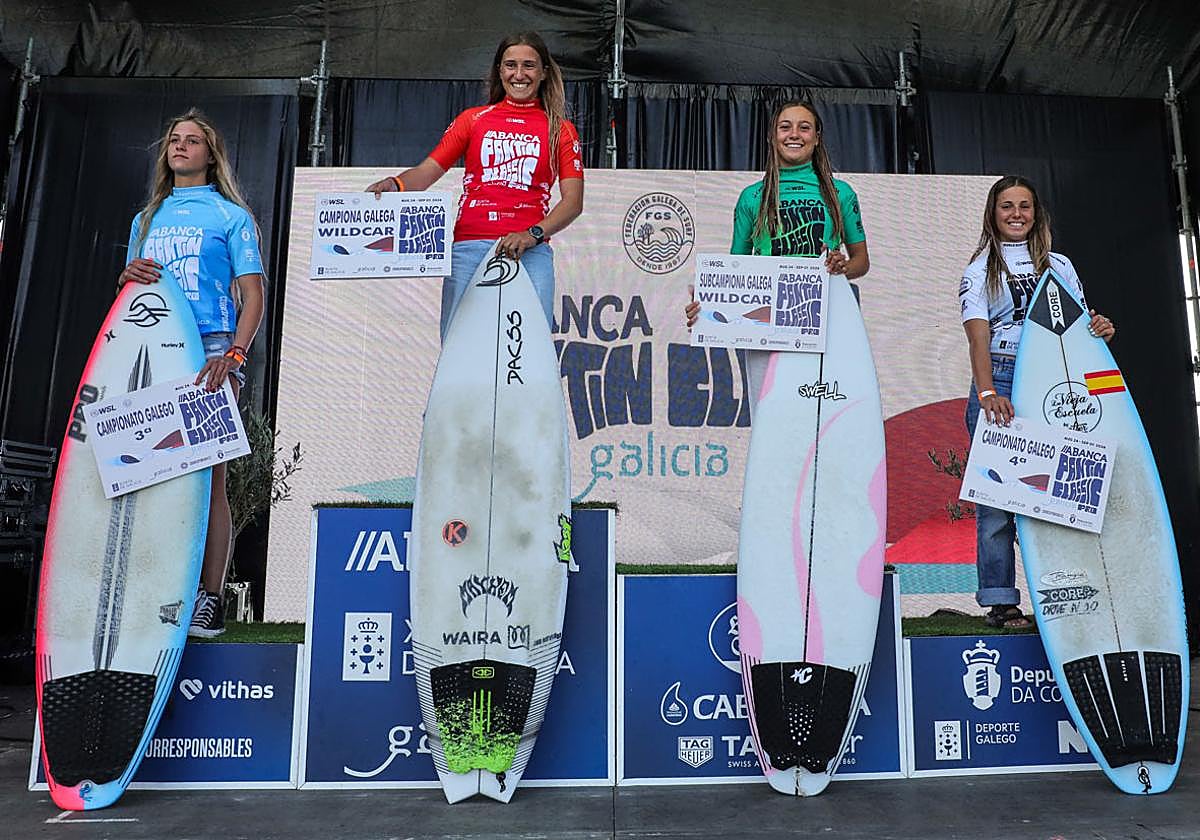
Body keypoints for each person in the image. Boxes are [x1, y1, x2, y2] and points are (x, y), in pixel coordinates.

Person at [117, 108, 266, 638]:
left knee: (209, 478)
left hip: (209, 351)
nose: (180, 146)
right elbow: (134, 296)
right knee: (150, 474)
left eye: (193, 140)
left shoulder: (231, 216)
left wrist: (237, 355)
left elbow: (254, 295)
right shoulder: (146, 219)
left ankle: (209, 598)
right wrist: (125, 277)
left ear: (211, 153)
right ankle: (157, 592)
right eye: (174, 140)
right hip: (152, 349)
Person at [959, 175, 1115, 628]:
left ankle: (1067, 595)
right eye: (1006, 206)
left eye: (1024, 206)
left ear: (1036, 212)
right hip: (1003, 379)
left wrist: (1102, 329)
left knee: (1062, 489)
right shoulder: (980, 268)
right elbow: (978, 338)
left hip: (1053, 380)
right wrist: (988, 392)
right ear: (993, 213)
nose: (1016, 214)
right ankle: (1000, 600)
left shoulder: (1059, 264)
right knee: (998, 499)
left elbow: (1080, 327)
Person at [366, 31, 584, 340]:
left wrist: (532, 235)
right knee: (458, 346)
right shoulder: (474, 119)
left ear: (544, 72)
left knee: (532, 350)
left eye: (529, 66)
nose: (519, 75)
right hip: (469, 247)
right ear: (499, 70)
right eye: (510, 65)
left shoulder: (561, 130)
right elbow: (428, 171)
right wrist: (395, 184)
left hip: (531, 250)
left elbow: (573, 202)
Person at [685, 99, 870, 403]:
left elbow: (861, 261)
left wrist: (842, 266)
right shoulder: (751, 197)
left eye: (804, 127)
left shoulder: (841, 193)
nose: (794, 134)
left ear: (817, 136)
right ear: (772, 136)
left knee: (822, 410)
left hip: (826, 314)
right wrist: (706, 304)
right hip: (767, 323)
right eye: (785, 127)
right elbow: (737, 270)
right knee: (771, 411)